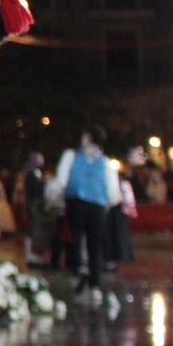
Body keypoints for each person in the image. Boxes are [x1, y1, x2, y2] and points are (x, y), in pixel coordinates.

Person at [55, 129, 119, 303]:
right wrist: (108, 202)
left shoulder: (71, 156)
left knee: (74, 239)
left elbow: (61, 180)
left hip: (76, 202)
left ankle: (78, 272)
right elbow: (113, 189)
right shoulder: (104, 161)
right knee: (95, 245)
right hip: (98, 205)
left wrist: (57, 199)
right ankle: (95, 285)